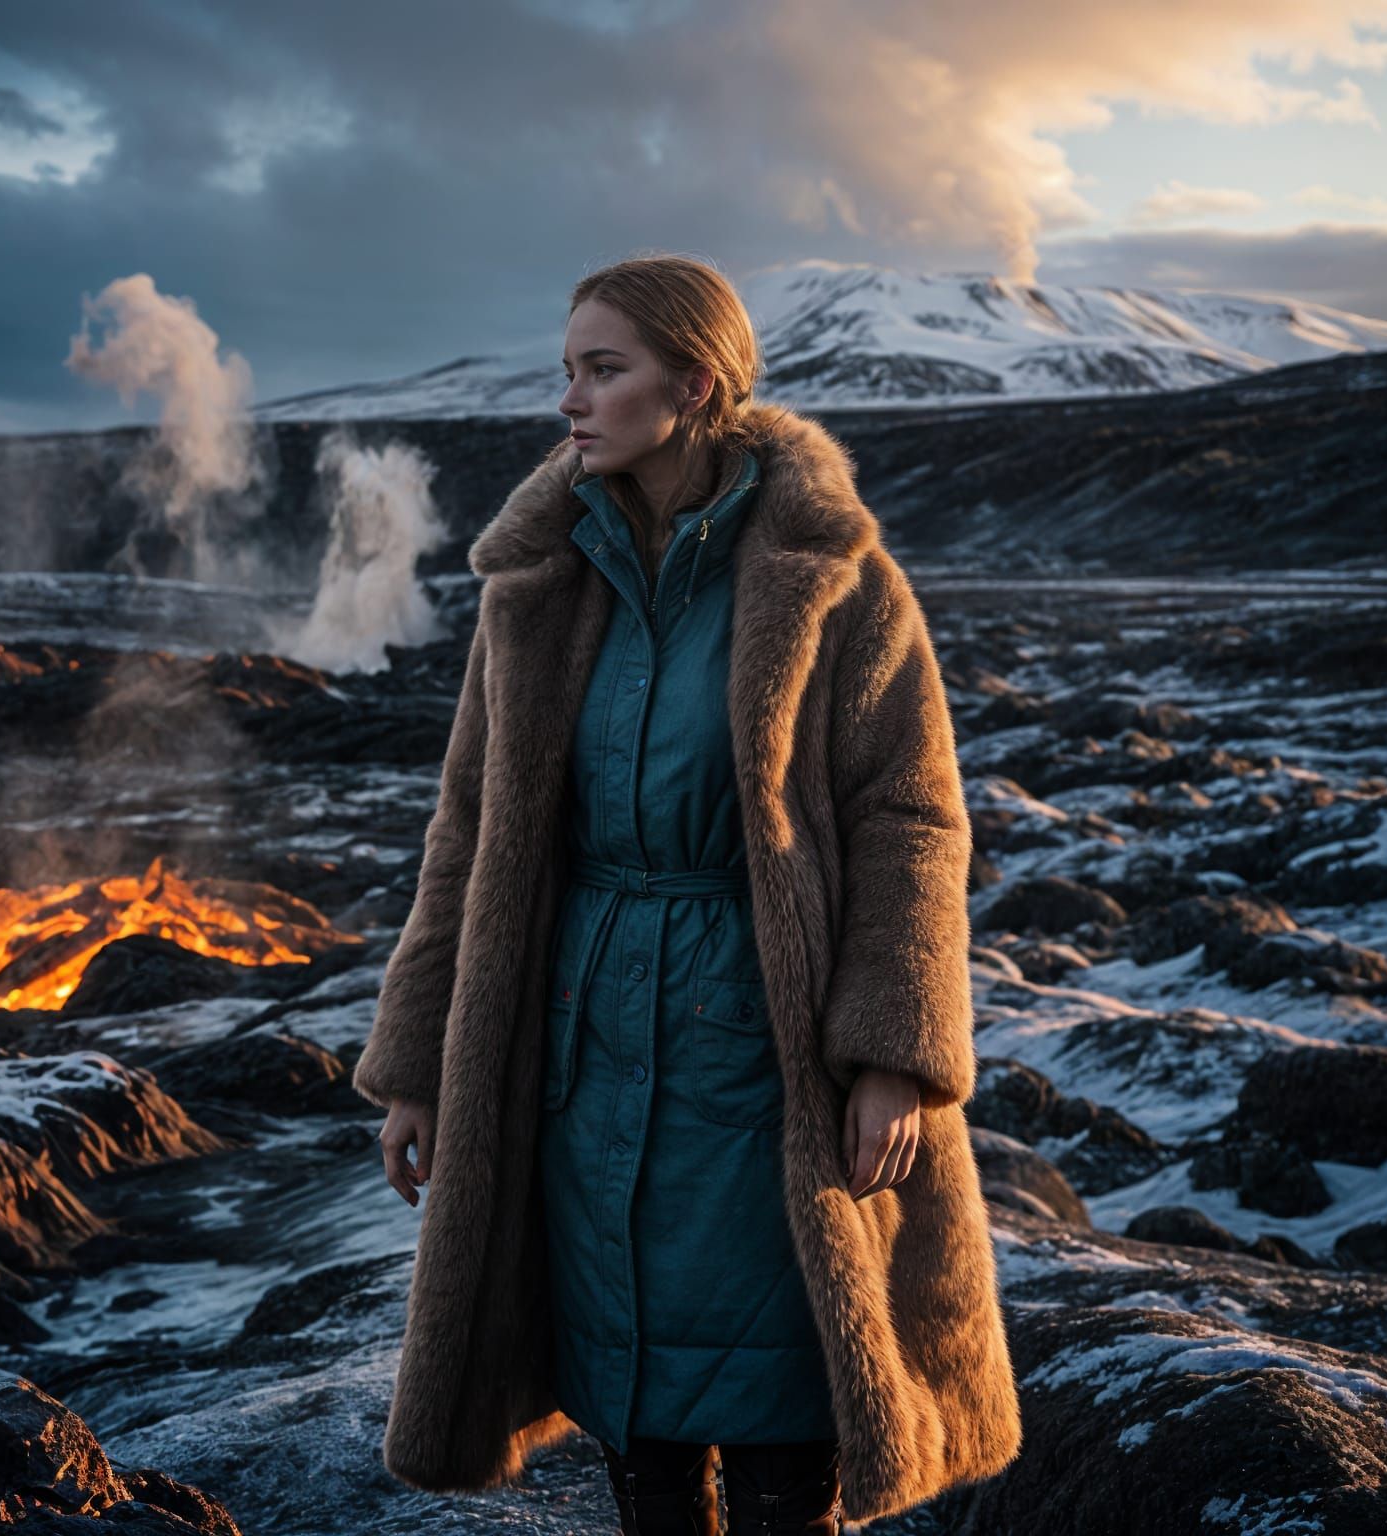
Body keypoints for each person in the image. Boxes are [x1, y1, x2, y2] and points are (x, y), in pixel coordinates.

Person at [355, 254, 1022, 1533]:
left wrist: (893, 1057)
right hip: (580, 1043)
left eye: (603, 370)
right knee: (640, 1438)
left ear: (694, 383)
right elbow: (470, 832)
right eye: (568, 370)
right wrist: (418, 1066)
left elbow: (911, 823)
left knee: (785, 1433)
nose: (571, 399)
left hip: (768, 1050)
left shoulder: (832, 579)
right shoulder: (542, 583)